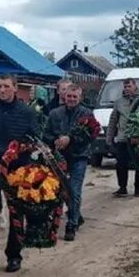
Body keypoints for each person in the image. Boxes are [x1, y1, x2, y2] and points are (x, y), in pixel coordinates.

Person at [0, 74, 40, 272]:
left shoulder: (27, 113)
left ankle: (14, 254)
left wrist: (25, 150)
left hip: (17, 168)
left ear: (15, 88)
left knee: (16, 212)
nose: (2, 90)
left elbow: (35, 140)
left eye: (6, 86)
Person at [43, 85, 98, 242]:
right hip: (58, 157)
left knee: (74, 190)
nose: (72, 99)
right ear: (64, 97)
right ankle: (76, 215)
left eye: (75, 97)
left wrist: (71, 139)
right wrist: (55, 141)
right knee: (59, 190)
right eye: (69, 96)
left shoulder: (87, 114)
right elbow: (45, 134)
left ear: (80, 98)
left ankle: (71, 225)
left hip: (79, 156)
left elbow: (90, 136)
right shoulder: (54, 114)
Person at [105, 78, 139, 198]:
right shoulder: (119, 102)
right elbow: (113, 120)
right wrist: (109, 136)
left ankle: (138, 188)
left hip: (138, 139)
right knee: (121, 164)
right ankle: (122, 187)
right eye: (125, 87)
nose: (127, 89)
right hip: (122, 138)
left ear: (135, 86)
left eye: (129, 86)